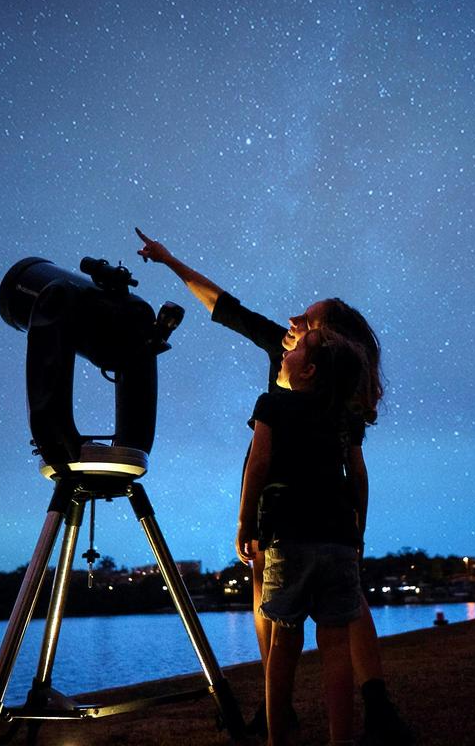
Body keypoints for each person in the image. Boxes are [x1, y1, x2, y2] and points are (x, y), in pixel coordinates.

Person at [135, 228, 411, 744]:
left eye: (306, 320)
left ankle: (365, 705)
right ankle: (283, 711)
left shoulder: (318, 366)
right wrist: (171, 260)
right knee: (300, 605)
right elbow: (222, 304)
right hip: (309, 513)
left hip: (286, 502)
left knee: (308, 610)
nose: (292, 322)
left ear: (323, 342)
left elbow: (346, 459)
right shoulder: (294, 352)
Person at [237, 327, 371, 746]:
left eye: (295, 350)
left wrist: (245, 522)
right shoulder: (346, 418)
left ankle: (279, 739)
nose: (285, 351)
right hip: (338, 540)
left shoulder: (273, 405)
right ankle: (339, 739)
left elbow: (257, 466)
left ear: (309, 371)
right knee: (335, 646)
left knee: (283, 644)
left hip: (288, 539)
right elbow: (359, 476)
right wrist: (358, 529)